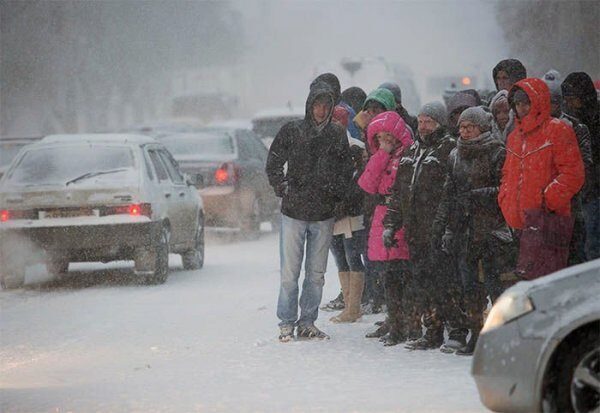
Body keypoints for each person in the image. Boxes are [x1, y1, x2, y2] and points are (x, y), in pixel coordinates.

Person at [266, 75, 353, 342]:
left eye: (326, 105)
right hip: (294, 212)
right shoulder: (292, 131)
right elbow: (273, 163)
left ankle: (307, 321)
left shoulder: (337, 135)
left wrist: (335, 197)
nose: (322, 110)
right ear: (309, 105)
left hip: (323, 215)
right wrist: (283, 188)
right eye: (317, 104)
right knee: (289, 273)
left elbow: (345, 170)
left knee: (316, 274)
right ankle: (286, 322)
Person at [436, 106, 512, 355]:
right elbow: (448, 193)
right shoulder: (455, 155)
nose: (465, 131)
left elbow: (505, 189)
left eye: (470, 126)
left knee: (495, 285)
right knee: (469, 288)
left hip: (491, 229)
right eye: (462, 126)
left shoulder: (497, 152)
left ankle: (500, 335)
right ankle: (476, 333)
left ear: (482, 127)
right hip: (463, 230)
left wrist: (478, 196)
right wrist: (446, 226)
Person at [383, 102, 459, 351]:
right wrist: (391, 224)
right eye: (421, 121)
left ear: (439, 123)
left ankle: (456, 329)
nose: (423, 126)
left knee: (444, 282)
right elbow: (398, 192)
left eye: (429, 121)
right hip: (415, 231)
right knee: (423, 282)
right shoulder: (411, 151)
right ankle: (432, 330)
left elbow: (452, 193)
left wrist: (446, 226)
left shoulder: (449, 149)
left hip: (437, 229)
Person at [499, 78, 584, 277]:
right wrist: (505, 198)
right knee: (526, 286)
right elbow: (507, 173)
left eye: (526, 103)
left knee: (547, 284)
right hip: (519, 221)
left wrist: (546, 200)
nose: (521, 108)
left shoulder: (558, 130)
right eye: (517, 103)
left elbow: (573, 173)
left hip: (549, 219)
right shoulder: (514, 137)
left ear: (538, 101)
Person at [358, 111, 413, 346]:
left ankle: (406, 322)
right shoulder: (380, 158)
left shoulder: (408, 158)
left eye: (388, 137)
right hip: (383, 216)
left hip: (401, 216)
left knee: (401, 275)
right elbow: (368, 184)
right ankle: (394, 320)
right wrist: (382, 155)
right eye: (379, 138)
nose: (384, 142)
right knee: (388, 275)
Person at [544, 70, 593, 265]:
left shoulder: (576, 128)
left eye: (554, 102)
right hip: (541, 209)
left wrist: (557, 191)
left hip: (573, 205)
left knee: (575, 258)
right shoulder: (531, 130)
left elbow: (583, 167)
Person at [562, 72, 600, 260]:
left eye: (573, 99)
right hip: (581, 192)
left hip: (592, 191)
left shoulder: (592, 120)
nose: (570, 103)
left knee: (592, 244)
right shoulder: (568, 122)